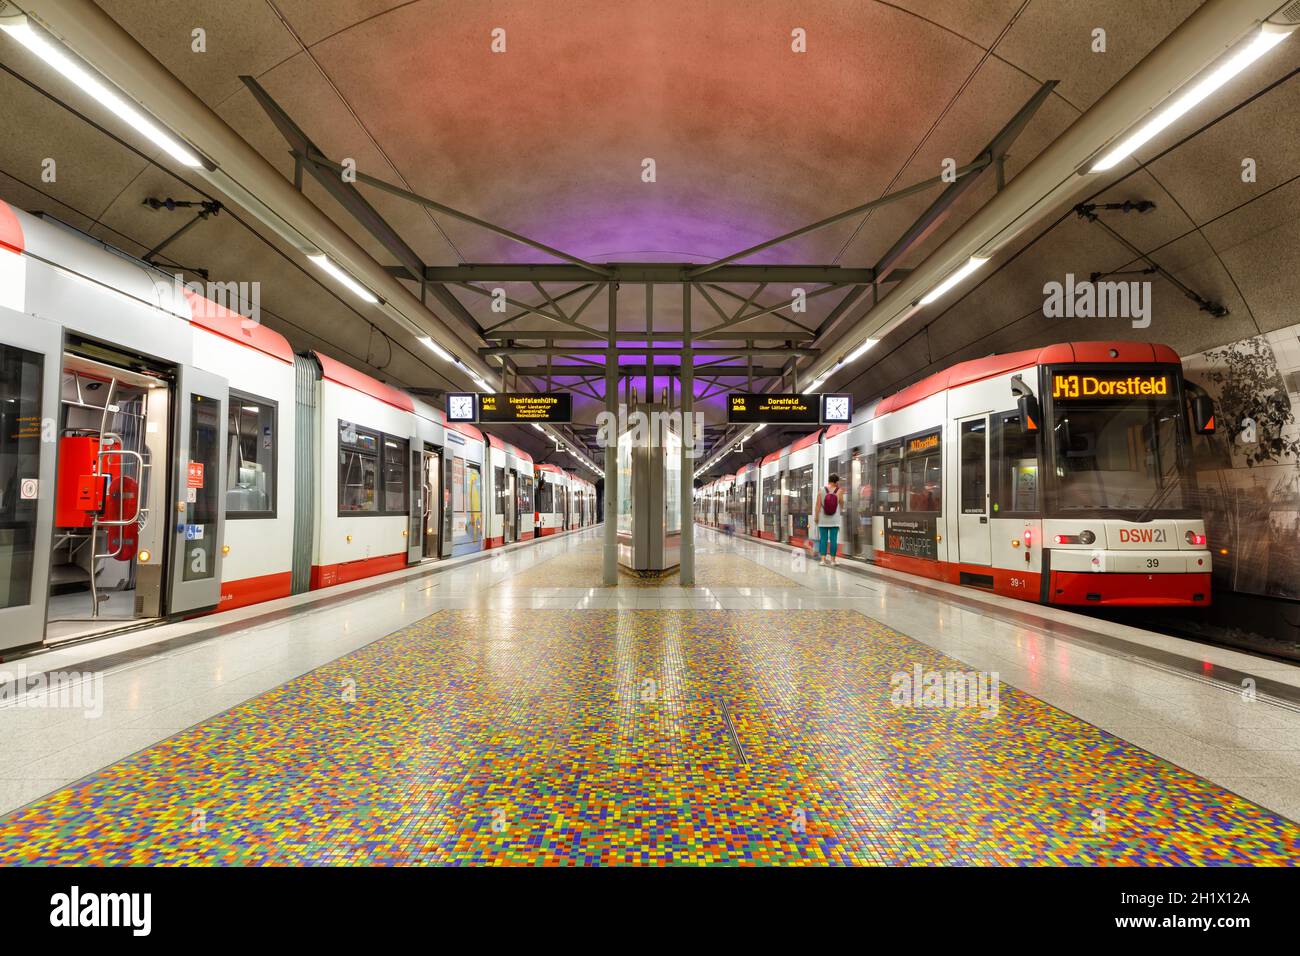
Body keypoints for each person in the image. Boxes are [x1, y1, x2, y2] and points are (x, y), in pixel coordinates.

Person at [815, 473, 843, 566]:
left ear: (829, 480)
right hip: (834, 520)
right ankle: (833, 560)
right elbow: (842, 503)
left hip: (823, 519)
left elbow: (818, 505)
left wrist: (816, 516)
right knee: (833, 540)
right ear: (836, 482)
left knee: (823, 539)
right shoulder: (839, 491)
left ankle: (823, 560)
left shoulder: (821, 490)